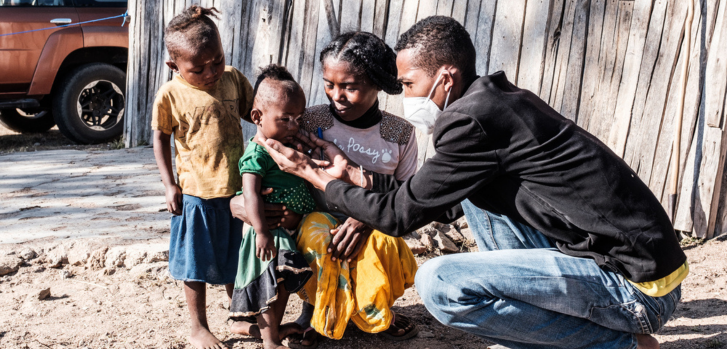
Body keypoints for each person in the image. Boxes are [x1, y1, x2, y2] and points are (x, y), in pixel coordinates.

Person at [259, 16, 688, 349]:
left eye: (409, 84)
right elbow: (434, 200)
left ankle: (618, 344)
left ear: (445, 78)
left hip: (636, 290)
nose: (405, 95)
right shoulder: (492, 103)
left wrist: (318, 176)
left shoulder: (472, 122)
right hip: (641, 267)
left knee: (440, 284)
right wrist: (353, 176)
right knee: (473, 200)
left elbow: (399, 216)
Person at [230, 32, 422, 348]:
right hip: (315, 222)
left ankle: (372, 310)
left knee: (386, 246)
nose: (336, 95)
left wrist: (366, 219)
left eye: (349, 87)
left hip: (375, 223)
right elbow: (261, 158)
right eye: (329, 84)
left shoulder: (400, 133)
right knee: (315, 236)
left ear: (376, 84)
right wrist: (237, 203)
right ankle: (318, 312)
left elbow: (409, 196)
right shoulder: (307, 120)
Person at [151, 6, 253, 349]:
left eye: (218, 61)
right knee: (194, 265)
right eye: (198, 68)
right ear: (174, 66)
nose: (211, 72)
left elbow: (256, 114)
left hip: (237, 190)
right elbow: (160, 138)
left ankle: (239, 317)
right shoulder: (171, 95)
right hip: (196, 193)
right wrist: (169, 184)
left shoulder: (234, 78)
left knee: (236, 257)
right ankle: (198, 328)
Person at [228, 65, 315, 349]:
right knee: (269, 285)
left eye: (298, 119)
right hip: (266, 232)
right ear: (257, 117)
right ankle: (269, 341)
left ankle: (273, 332)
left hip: (283, 232)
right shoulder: (257, 152)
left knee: (282, 283)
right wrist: (262, 231)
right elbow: (250, 194)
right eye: (285, 119)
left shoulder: (287, 146)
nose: (293, 126)